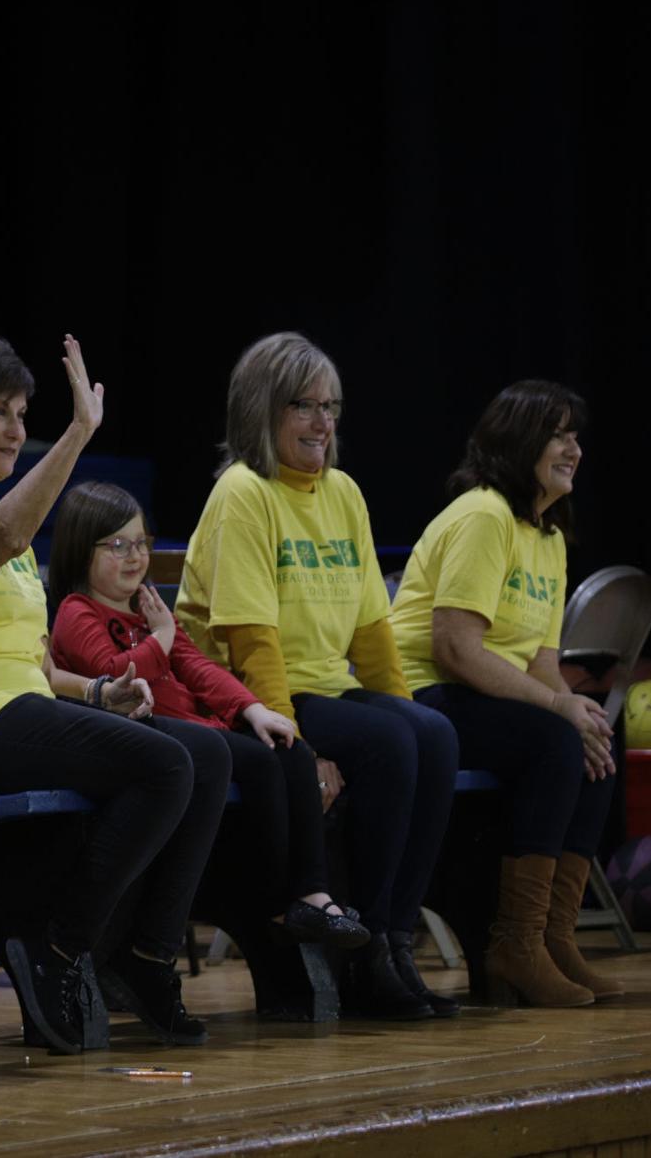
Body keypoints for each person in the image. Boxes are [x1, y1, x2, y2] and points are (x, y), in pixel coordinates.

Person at [0, 333, 229, 1054]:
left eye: (21, 414)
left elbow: (37, 668)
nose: (15, 430)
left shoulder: (1, 517)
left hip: (17, 710)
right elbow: (6, 534)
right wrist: (77, 433)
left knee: (204, 755)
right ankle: (63, 949)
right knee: (163, 766)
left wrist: (100, 695)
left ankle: (147, 955)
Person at [176, 331, 461, 1020]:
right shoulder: (243, 492)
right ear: (262, 409)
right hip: (254, 694)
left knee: (432, 733)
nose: (321, 422)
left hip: (325, 684)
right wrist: (298, 747)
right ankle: (361, 958)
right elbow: (250, 641)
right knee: (390, 742)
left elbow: (372, 632)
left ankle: (392, 940)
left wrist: (407, 709)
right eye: (302, 405)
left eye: (330, 407)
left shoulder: (343, 493)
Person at [48, 481, 367, 949]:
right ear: (81, 548)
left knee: (290, 749)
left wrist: (252, 708)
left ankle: (312, 893)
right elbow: (116, 674)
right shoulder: (77, 612)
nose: (135, 556)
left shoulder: (147, 607)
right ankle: (273, 900)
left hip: (199, 728)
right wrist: (160, 636)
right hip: (148, 735)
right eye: (117, 545)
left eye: (140, 542)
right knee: (258, 763)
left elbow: (196, 666)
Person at [390, 380, 619, 1007]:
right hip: (420, 694)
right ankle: (515, 945)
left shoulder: (548, 537)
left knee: (594, 742)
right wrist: (559, 710)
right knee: (554, 740)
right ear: (520, 442)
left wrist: (575, 711)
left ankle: (552, 938)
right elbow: (455, 649)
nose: (574, 450)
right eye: (558, 435)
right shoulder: (484, 515)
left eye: (576, 437)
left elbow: (542, 664)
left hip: (480, 694)